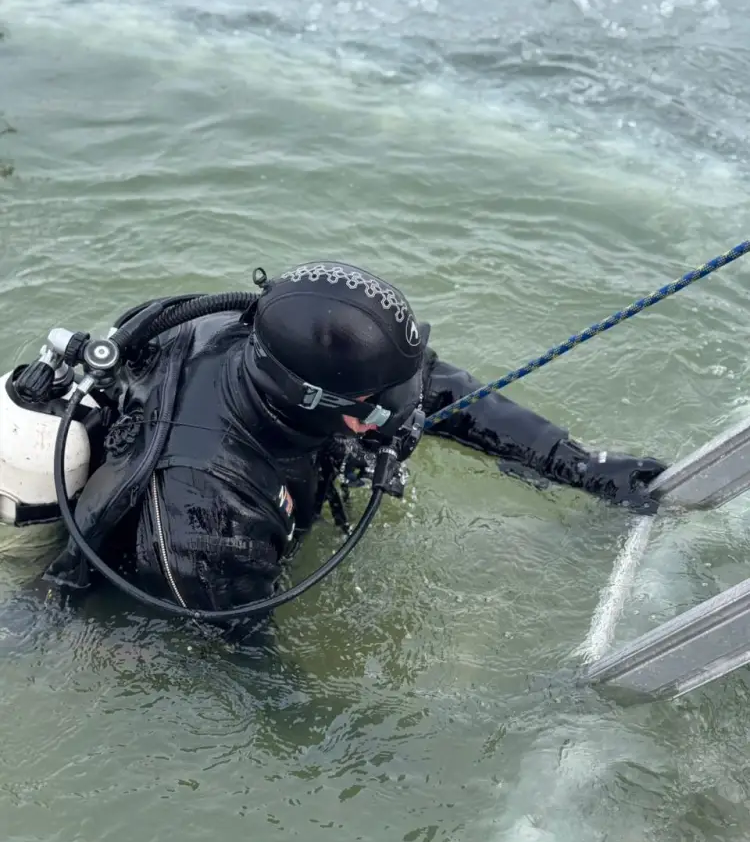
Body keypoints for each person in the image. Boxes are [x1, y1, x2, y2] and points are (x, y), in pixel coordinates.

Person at [41, 261, 667, 617]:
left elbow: (444, 391)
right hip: (151, 599)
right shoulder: (211, 520)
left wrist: (580, 467)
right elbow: (236, 669)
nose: (409, 400)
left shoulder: (289, 353)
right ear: (319, 402)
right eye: (381, 400)